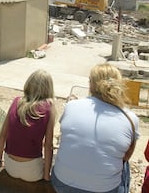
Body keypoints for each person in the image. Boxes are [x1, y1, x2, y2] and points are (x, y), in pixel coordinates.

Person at [51, 63, 139, 193]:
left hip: (62, 183)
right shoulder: (130, 118)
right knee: (124, 167)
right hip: (104, 189)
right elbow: (126, 156)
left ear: (91, 84)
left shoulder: (72, 106)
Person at [0, 69, 56, 182]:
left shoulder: (16, 101)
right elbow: (48, 146)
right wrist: (46, 175)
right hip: (31, 170)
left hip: (10, 166)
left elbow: (2, 135)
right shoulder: (49, 108)